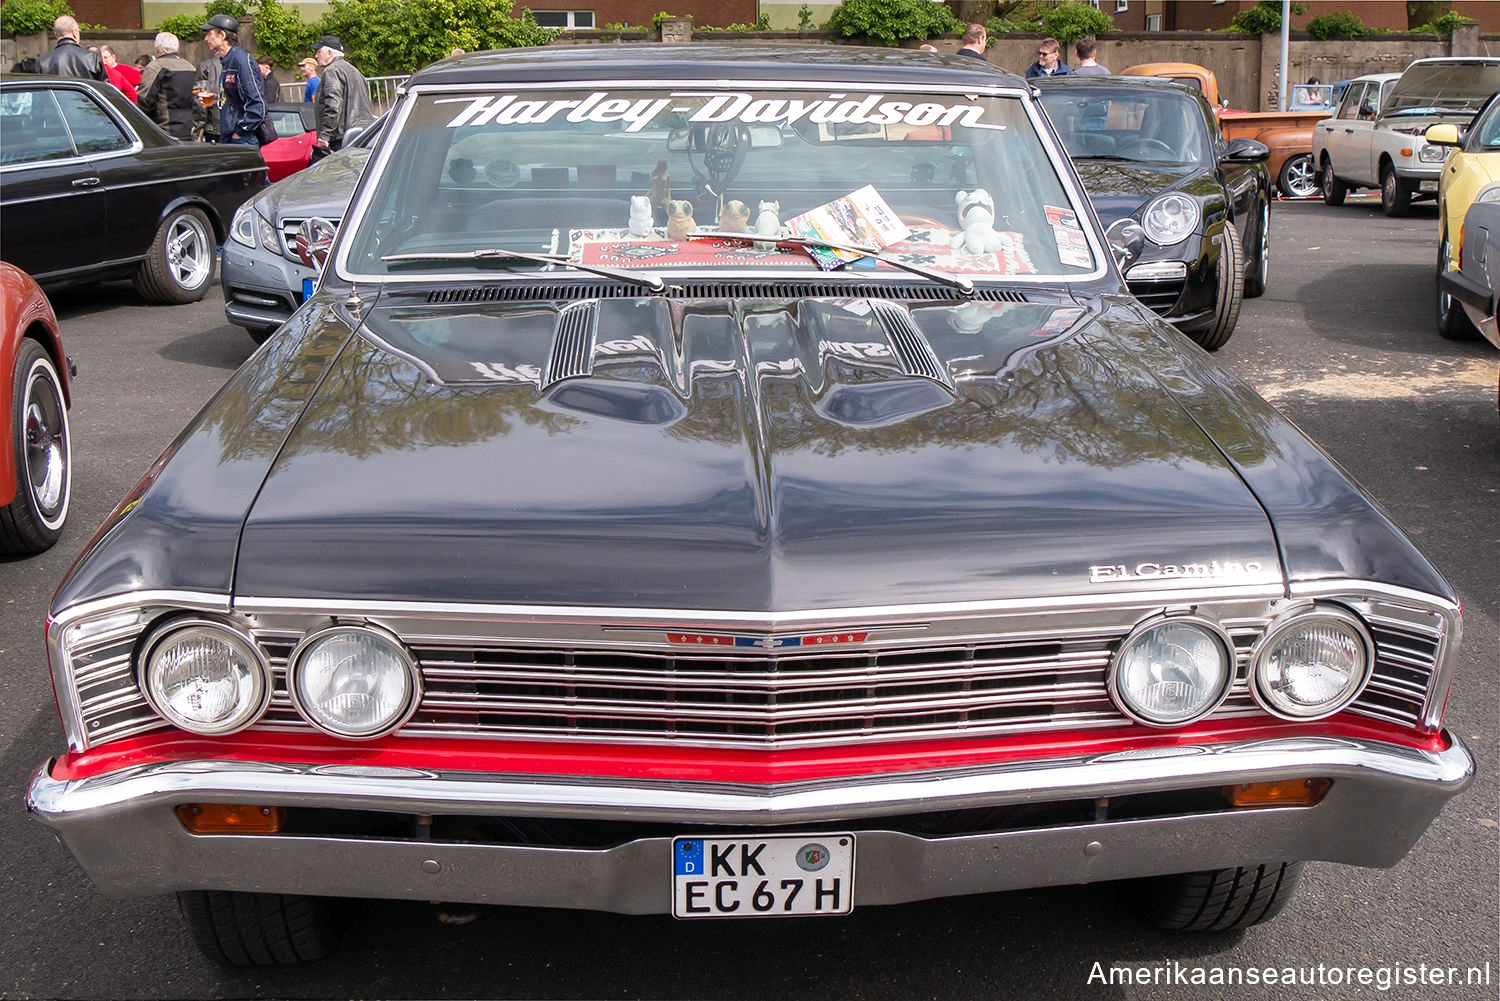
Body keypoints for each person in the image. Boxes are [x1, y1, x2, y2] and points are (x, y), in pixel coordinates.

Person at [201, 13, 265, 147]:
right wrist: (218, 98)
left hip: (242, 139)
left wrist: (239, 132)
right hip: (230, 135)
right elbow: (237, 98)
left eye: (209, 33)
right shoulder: (227, 60)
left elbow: (258, 105)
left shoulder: (241, 61)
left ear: (222, 35)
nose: (206, 38)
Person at [311, 35, 374, 159]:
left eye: (318, 52)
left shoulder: (332, 71)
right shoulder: (354, 71)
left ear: (329, 53)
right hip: (360, 135)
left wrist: (324, 135)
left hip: (340, 138)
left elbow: (333, 105)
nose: (316, 56)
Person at [137, 31, 198, 140]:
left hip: (164, 131)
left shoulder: (156, 67)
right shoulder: (191, 67)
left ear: (157, 50)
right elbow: (198, 100)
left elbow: (144, 100)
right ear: (177, 47)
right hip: (189, 130)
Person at [34, 15, 107, 80]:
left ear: (55, 34)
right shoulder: (92, 58)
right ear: (74, 32)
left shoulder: (42, 61)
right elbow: (105, 89)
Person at [195, 51, 222, 141]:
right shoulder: (243, 63)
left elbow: (200, 101)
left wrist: (197, 132)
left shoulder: (205, 66)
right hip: (237, 127)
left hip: (213, 126)